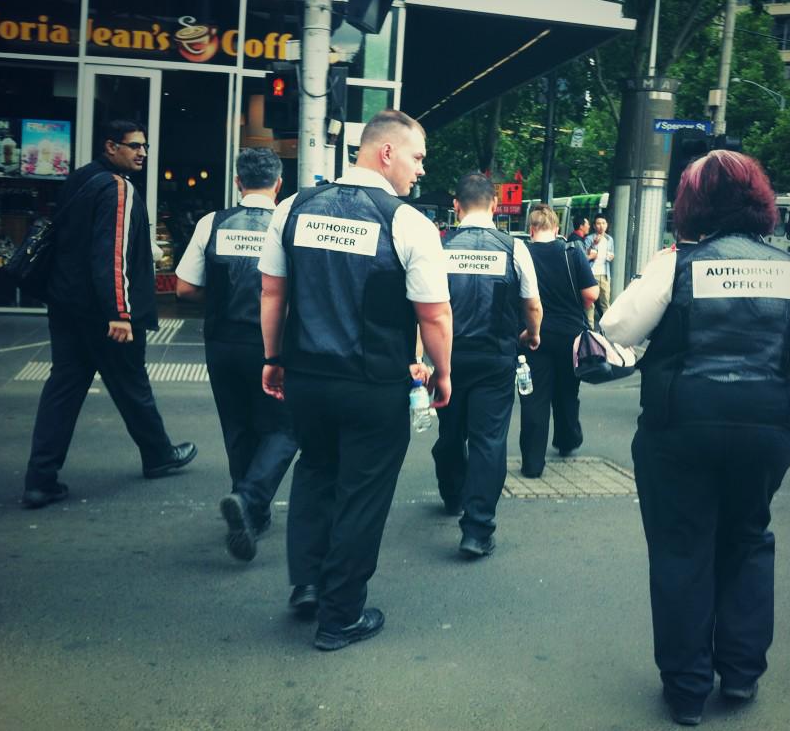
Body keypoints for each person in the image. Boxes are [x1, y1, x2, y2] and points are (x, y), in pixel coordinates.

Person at [602, 150, 790, 726]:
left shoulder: (678, 264)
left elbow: (616, 327)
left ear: (691, 205)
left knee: (681, 549)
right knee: (748, 539)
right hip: (765, 427)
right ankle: (742, 672)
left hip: (681, 427)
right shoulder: (789, 269)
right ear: (759, 203)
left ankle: (687, 688)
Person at [259, 109, 452, 650]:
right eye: (416, 157)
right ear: (385, 152)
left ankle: (309, 582)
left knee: (316, 473)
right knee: (362, 493)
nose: (420, 171)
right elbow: (434, 314)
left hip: (307, 378)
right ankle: (341, 615)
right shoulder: (408, 222)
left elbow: (272, 294)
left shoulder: (293, 208)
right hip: (373, 383)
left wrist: (273, 358)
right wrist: (443, 372)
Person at [22, 119, 197, 509]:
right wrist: (120, 312)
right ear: (110, 146)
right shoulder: (117, 188)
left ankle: (40, 479)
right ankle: (158, 455)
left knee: (64, 389)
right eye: (134, 146)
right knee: (132, 384)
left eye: (145, 147)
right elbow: (111, 253)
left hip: (67, 305)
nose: (142, 153)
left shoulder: (81, 179)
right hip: (104, 313)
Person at [175, 148, 298, 561]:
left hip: (223, 342)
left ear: (238, 182)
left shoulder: (212, 223)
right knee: (285, 426)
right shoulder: (287, 223)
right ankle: (250, 499)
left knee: (238, 426)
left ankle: (250, 512)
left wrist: (222, 299)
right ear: (279, 185)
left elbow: (184, 289)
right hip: (273, 343)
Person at [432, 171, 542, 558]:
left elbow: (424, 307)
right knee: (488, 440)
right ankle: (477, 530)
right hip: (496, 357)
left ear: (456, 207)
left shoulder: (439, 247)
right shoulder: (514, 248)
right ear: (495, 206)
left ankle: (451, 492)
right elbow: (531, 303)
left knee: (450, 432)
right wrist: (532, 334)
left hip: (448, 356)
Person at [518, 204, 598, 478]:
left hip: (531, 335)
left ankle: (532, 463)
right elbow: (591, 295)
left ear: (531, 229)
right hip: (569, 336)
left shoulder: (522, 253)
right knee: (567, 391)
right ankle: (567, 439)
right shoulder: (571, 252)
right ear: (556, 228)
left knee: (533, 397)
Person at [583, 215, 615, 328]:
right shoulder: (589, 239)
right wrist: (594, 244)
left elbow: (610, 255)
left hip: (605, 275)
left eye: (603, 223)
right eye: (598, 223)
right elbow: (585, 256)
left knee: (605, 303)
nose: (601, 226)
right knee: (590, 305)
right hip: (591, 274)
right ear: (594, 226)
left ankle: (607, 331)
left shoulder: (609, 239)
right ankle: (590, 330)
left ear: (607, 225)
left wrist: (611, 257)